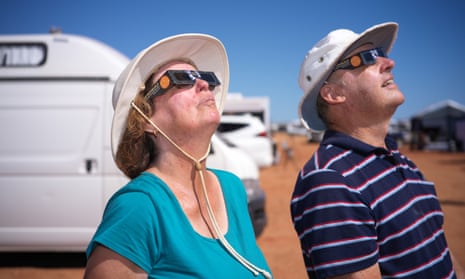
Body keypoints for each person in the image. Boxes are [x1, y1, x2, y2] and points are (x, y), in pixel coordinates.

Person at [83, 34, 272, 279]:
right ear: (146, 119)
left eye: (206, 77)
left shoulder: (232, 188)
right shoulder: (139, 207)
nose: (204, 84)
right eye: (181, 79)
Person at [290, 22, 464, 278]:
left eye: (381, 52)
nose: (388, 62)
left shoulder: (400, 161)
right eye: (367, 57)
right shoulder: (330, 181)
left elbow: (441, 253)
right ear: (334, 93)